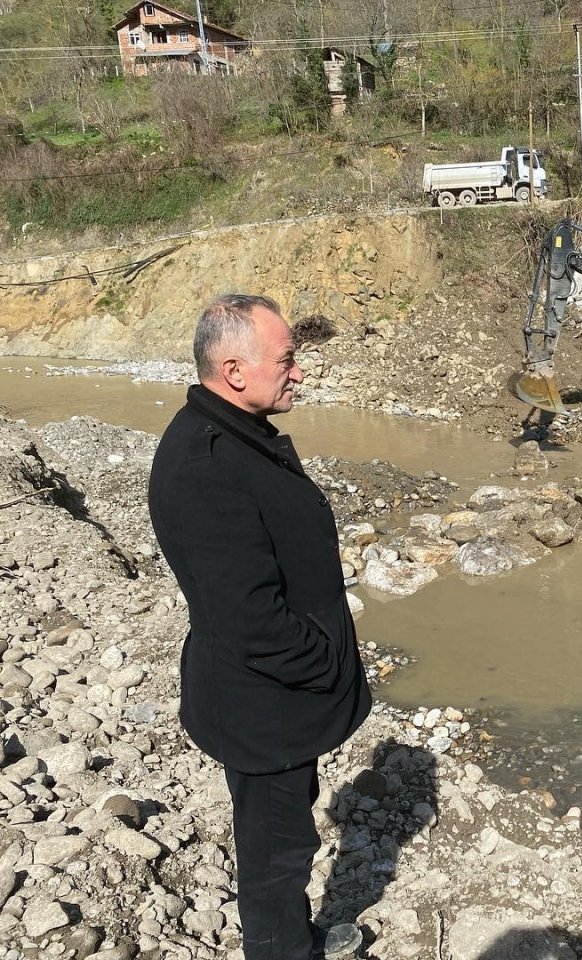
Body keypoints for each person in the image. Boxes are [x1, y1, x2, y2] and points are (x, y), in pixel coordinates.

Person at [148, 294, 371, 960]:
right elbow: (252, 622)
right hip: (264, 708)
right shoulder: (206, 466)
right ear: (235, 370)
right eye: (286, 360)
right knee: (278, 858)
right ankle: (283, 948)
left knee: (281, 834)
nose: (297, 372)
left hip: (273, 697)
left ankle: (293, 935)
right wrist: (327, 663)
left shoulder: (234, 433)